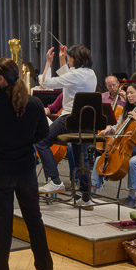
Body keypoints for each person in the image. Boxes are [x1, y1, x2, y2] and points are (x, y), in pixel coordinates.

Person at [0, 59, 54, 270]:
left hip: (2, 170)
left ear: (0, 78)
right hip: (26, 169)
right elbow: (43, 134)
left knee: (3, 222)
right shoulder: (34, 103)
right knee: (34, 219)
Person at [89, 82, 136, 208]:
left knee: (133, 162)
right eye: (128, 93)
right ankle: (93, 190)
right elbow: (118, 127)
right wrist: (109, 129)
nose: (128, 95)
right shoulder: (127, 111)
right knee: (99, 159)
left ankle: (131, 197)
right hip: (128, 149)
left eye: (132, 93)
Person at [35, 44, 98, 198]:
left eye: (69, 57)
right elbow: (68, 76)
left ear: (75, 59)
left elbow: (45, 83)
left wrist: (48, 62)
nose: (68, 60)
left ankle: (55, 181)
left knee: (41, 142)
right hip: (87, 122)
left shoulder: (75, 75)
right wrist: (62, 59)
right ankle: (86, 198)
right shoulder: (91, 73)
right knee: (80, 158)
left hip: (70, 119)